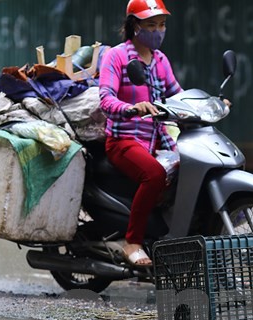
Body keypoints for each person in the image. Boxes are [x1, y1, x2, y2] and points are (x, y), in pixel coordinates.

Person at [98, 0, 182, 266]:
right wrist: (132, 108)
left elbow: (177, 95)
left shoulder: (160, 60)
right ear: (135, 26)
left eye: (162, 24)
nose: (158, 31)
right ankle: (132, 242)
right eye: (151, 25)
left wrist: (208, 102)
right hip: (124, 139)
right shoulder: (117, 56)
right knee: (154, 175)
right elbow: (106, 99)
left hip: (157, 138)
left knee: (191, 167)